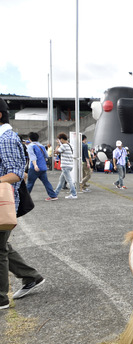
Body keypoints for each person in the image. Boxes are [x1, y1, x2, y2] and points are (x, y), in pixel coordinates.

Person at [0, 98, 47, 309]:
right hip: (4, 199)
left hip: (4, 201)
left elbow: (15, 174)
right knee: (2, 245)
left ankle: (1, 298)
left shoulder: (6, 139)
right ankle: (30, 276)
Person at [25, 132, 57, 200]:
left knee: (30, 183)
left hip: (34, 167)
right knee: (46, 182)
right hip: (43, 167)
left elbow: (32, 156)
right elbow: (46, 155)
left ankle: (25, 198)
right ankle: (53, 195)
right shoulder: (41, 146)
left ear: (29, 139)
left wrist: (35, 165)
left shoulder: (30, 146)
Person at [53, 133, 78, 199]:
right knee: (61, 180)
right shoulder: (70, 145)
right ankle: (55, 193)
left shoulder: (63, 146)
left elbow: (56, 152)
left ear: (61, 139)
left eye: (59, 140)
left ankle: (74, 194)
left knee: (69, 180)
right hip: (70, 165)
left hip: (65, 166)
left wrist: (58, 145)